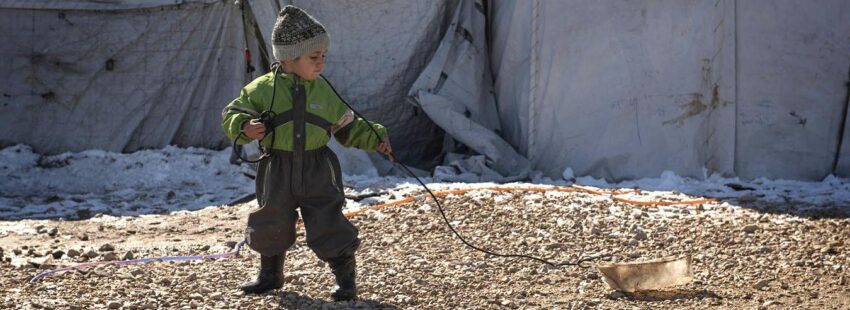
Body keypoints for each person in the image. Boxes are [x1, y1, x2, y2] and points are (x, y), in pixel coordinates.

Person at [221, 5, 392, 301]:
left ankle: (345, 278)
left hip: (317, 168)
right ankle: (270, 274)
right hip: (276, 168)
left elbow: (347, 124)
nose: (321, 63)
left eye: (323, 56)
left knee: (328, 220)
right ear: (288, 57)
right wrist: (244, 126)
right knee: (270, 220)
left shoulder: (323, 90)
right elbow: (232, 113)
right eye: (314, 57)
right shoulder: (261, 89)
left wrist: (375, 137)